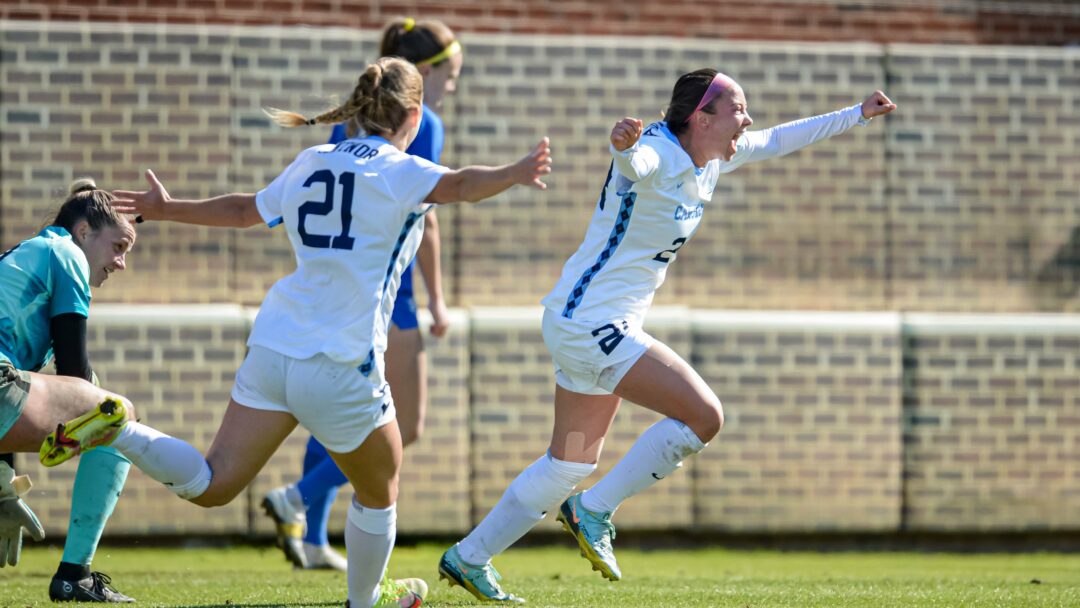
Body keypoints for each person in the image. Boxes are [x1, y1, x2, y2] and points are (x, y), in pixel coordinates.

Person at [49, 56, 551, 608]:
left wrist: (168, 209)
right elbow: (459, 185)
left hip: (274, 345)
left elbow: (244, 210)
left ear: (357, 109)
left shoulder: (313, 158)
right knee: (380, 487)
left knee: (214, 485)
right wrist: (514, 172)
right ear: (413, 113)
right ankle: (364, 603)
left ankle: (118, 430)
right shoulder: (400, 169)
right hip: (341, 361)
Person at [437, 69, 897, 603]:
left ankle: (469, 557)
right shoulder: (658, 150)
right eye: (737, 111)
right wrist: (624, 149)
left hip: (585, 322)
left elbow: (778, 139)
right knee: (704, 416)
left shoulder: (713, 157)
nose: (746, 121)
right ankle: (594, 510)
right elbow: (638, 164)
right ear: (700, 119)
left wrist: (856, 114)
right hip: (592, 323)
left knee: (570, 463)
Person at [261, 16, 462, 572]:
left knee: (335, 422)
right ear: (424, 75)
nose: (453, 87)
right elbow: (431, 217)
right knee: (405, 426)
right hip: (385, 294)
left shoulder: (349, 121)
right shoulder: (425, 123)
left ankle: (311, 533)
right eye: (451, 76)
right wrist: (438, 300)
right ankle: (298, 500)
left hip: (332, 288)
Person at [0, 178, 138, 602]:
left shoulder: (23, 255)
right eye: (118, 246)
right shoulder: (66, 255)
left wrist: (3, 481)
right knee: (118, 416)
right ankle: (74, 575)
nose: (121, 263)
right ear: (83, 232)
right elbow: (74, 372)